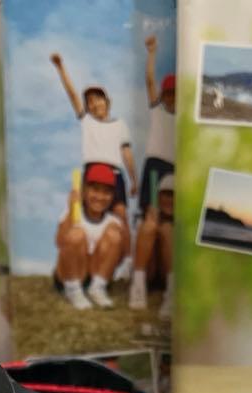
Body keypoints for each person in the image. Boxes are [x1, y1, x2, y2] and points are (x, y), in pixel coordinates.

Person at [49, 52, 136, 228]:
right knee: (80, 217)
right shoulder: (87, 121)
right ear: (87, 107)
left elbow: (126, 153)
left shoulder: (120, 124)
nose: (95, 104)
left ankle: (123, 245)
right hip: (92, 171)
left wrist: (134, 180)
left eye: (98, 99)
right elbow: (72, 94)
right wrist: (60, 68)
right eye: (90, 101)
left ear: (107, 102)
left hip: (115, 173)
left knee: (120, 216)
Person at [54, 163, 127, 311]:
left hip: (94, 275)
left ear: (112, 196)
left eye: (106, 192)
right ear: (84, 191)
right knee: (76, 234)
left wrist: (119, 234)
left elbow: (120, 258)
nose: (100, 197)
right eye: (95, 189)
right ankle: (73, 290)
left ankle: (97, 288)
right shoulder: (72, 213)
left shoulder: (113, 221)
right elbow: (60, 243)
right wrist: (71, 211)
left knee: (114, 235)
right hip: (70, 273)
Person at [139, 35, 175, 216]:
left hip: (175, 168)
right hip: (155, 165)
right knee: (151, 211)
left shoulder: (185, 119)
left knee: (170, 217)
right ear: (163, 96)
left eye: (176, 93)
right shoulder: (157, 110)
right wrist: (152, 53)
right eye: (169, 94)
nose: (173, 97)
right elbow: (150, 80)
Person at [129, 172, 173, 319]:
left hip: (170, 273)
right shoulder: (147, 215)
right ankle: (137, 288)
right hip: (150, 271)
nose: (170, 200)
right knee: (148, 227)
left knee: (167, 230)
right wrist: (152, 222)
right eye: (166, 194)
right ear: (158, 196)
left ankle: (173, 292)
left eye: (175, 195)